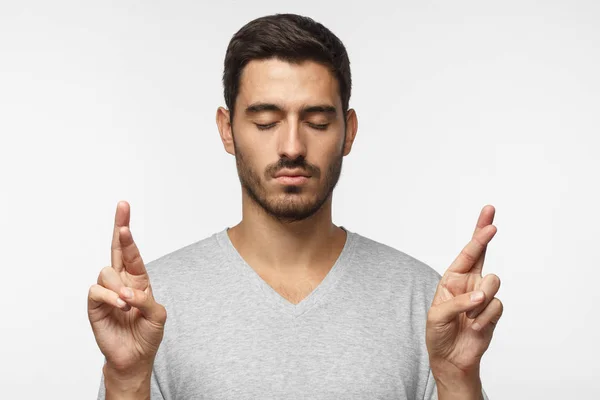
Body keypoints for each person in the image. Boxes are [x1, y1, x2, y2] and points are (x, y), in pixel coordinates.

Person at [88, 13, 502, 400]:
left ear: (348, 132)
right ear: (226, 130)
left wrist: (457, 378)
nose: (292, 147)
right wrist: (125, 378)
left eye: (317, 122)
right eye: (266, 121)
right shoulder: (153, 304)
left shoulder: (423, 301)